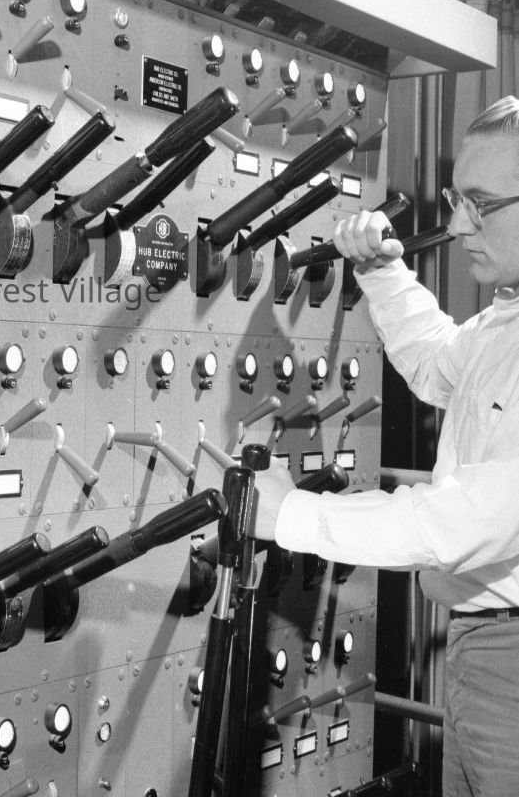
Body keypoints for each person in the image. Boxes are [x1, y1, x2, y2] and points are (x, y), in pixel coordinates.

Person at [252, 95, 519, 797]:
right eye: (456, 200)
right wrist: (379, 271)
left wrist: (293, 515)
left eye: (482, 205)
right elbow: (437, 364)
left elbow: (460, 523)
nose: (457, 225)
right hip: (480, 647)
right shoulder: (508, 317)